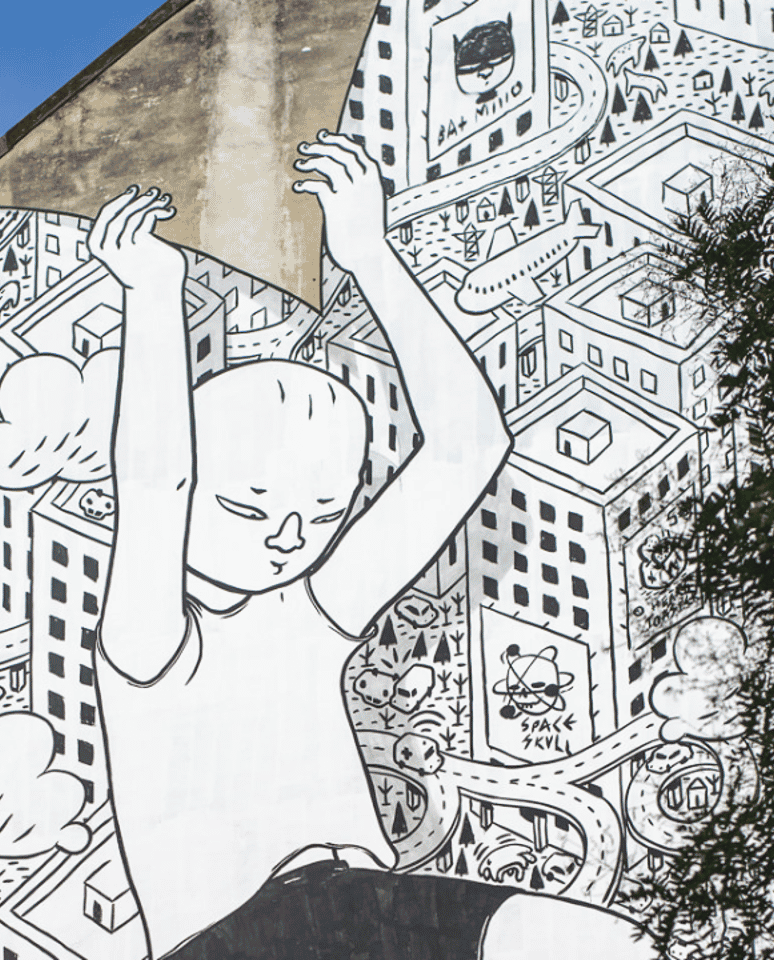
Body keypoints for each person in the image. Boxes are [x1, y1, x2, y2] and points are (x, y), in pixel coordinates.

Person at [91, 131, 650, 960]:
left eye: (322, 516)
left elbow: (467, 449)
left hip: (366, 907)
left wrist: (370, 255)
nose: (289, 538)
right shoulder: (151, 642)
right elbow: (153, 483)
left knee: (610, 943)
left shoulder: (310, 613)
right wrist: (151, 295)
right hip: (236, 935)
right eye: (248, 508)